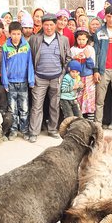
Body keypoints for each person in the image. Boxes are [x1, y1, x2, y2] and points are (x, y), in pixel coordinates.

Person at [28, 13, 72, 143]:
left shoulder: (63, 39)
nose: (48, 27)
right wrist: (34, 75)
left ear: (55, 25)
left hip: (56, 78)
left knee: (54, 105)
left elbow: (68, 58)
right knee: (36, 106)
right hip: (39, 78)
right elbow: (29, 58)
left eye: (51, 25)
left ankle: (52, 129)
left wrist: (62, 74)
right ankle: (34, 132)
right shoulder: (35, 39)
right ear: (42, 25)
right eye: (46, 24)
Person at [1, 21, 34, 140]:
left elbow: (30, 63)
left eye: (18, 34)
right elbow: (3, 66)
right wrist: (5, 81)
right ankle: (13, 130)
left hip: (23, 82)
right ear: (9, 34)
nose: (16, 36)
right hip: (10, 83)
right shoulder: (5, 47)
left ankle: (24, 130)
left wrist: (31, 80)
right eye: (13, 34)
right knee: (12, 109)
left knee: (24, 108)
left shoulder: (26, 46)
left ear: (21, 34)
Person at [71, 27, 96, 121]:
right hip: (76, 77)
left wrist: (88, 57)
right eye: (79, 39)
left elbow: (92, 65)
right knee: (77, 97)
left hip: (88, 77)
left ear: (87, 39)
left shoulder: (90, 49)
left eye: (83, 39)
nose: (81, 41)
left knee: (89, 98)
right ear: (76, 39)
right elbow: (70, 65)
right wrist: (75, 58)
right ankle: (78, 119)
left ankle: (90, 121)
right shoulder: (73, 49)